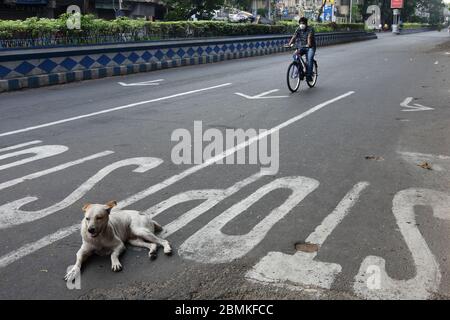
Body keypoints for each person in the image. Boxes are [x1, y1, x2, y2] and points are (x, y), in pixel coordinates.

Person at [288, 17, 316, 82]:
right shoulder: (298, 29)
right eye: (300, 23)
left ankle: (309, 75)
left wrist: (308, 44)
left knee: (309, 59)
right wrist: (289, 44)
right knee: (295, 55)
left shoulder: (310, 29)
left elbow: (309, 37)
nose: (301, 25)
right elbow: (294, 37)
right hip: (302, 46)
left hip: (310, 47)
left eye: (303, 23)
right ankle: (300, 71)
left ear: (306, 24)